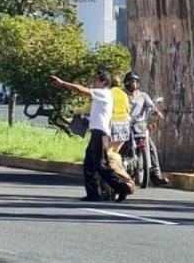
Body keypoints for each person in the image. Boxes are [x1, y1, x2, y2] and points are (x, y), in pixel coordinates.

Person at [51, 71, 133, 202]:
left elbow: (81, 90)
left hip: (100, 134)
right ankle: (94, 194)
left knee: (101, 165)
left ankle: (122, 188)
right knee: (89, 164)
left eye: (96, 81)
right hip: (97, 133)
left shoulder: (104, 93)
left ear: (104, 82)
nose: (93, 83)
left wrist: (62, 83)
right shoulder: (103, 96)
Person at [124, 71, 168, 184]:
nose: (133, 84)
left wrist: (157, 112)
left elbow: (152, 106)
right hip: (125, 125)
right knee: (119, 146)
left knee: (151, 147)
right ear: (126, 83)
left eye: (135, 82)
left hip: (139, 125)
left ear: (138, 83)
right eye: (130, 81)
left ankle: (156, 175)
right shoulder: (122, 95)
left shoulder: (143, 96)